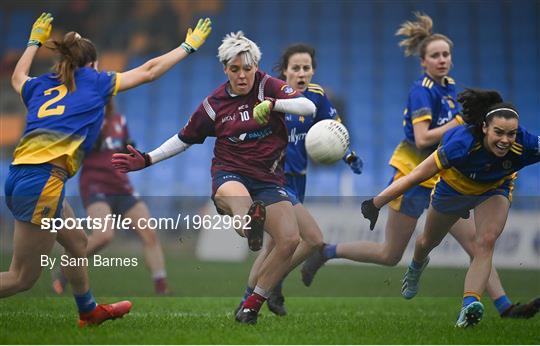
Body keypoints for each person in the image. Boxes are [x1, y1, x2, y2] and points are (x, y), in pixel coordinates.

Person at [301, 12, 540, 321]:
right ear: (423, 62)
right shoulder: (422, 90)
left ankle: (503, 306)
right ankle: (327, 251)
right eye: (435, 56)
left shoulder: (452, 89)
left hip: (449, 176)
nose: (442, 60)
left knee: (478, 242)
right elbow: (423, 137)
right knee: (390, 254)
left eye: (446, 55)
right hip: (414, 171)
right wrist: (458, 122)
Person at [3, 12, 211, 326]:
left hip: (23, 175)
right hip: (43, 181)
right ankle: (87, 311)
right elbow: (149, 71)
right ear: (92, 64)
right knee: (21, 278)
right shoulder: (94, 81)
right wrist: (187, 47)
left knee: (78, 244)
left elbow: (17, 78)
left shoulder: (42, 84)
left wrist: (33, 42)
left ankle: (88, 312)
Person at [111, 31, 317, 324]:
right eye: (235, 69)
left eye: (247, 69)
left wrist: (273, 104)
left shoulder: (268, 86)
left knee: (290, 240)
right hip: (229, 174)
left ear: (255, 67)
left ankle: (251, 305)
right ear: (225, 69)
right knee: (241, 203)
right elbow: (183, 139)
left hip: (269, 180)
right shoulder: (214, 104)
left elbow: (307, 107)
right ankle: (250, 224)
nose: (242, 75)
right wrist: (147, 159)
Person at [361, 88, 540, 327]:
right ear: (485, 128)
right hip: (453, 191)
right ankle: (416, 267)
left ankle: (469, 306)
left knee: (485, 242)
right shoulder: (461, 143)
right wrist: (376, 203)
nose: (506, 140)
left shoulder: (526, 143)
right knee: (427, 242)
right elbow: (416, 176)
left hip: (494, 189)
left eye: (511, 134)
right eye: (499, 132)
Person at [235, 44, 363, 316]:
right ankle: (263, 292)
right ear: (285, 71)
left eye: (307, 68)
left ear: (313, 71)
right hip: (273, 181)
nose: (302, 73)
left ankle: (255, 295)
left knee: (275, 245)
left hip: (299, 180)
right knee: (314, 239)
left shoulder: (317, 97)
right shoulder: (271, 98)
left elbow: (334, 131)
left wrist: (349, 155)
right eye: (296, 68)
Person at [52, 100, 169, 295]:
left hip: (121, 186)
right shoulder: (85, 121)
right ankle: (65, 270)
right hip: (95, 185)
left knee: (149, 233)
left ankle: (161, 288)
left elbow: (125, 146)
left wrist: (130, 150)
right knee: (103, 236)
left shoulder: (119, 120)